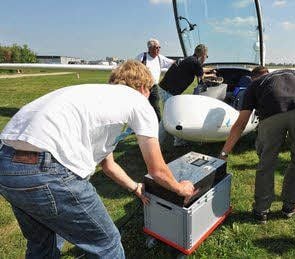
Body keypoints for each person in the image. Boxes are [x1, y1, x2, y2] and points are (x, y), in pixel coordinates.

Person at [0, 60, 195, 258]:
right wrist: (181, 188)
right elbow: (157, 170)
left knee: (43, 242)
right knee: (107, 244)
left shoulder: (94, 97)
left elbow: (108, 165)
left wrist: (136, 187)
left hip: (6, 165)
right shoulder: (138, 102)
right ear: (144, 87)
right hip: (48, 170)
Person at [219, 67, 295, 224]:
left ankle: (261, 210)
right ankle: (291, 205)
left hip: (271, 116)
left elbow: (240, 124)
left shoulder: (253, 86)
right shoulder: (291, 72)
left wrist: (224, 153)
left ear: (252, 78)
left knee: (266, 163)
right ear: (268, 72)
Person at [158, 44, 216, 146]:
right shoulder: (195, 62)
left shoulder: (190, 60)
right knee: (169, 117)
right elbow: (201, 76)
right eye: (206, 56)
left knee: (174, 115)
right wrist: (213, 75)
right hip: (169, 91)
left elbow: (199, 70)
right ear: (203, 54)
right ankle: (159, 143)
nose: (205, 58)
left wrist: (210, 69)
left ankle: (177, 141)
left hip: (165, 88)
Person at [136, 38, 174, 121]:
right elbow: (134, 69)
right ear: (150, 48)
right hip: (143, 86)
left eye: (159, 47)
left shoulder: (160, 58)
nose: (158, 49)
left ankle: (159, 125)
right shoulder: (142, 57)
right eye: (156, 47)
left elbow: (172, 63)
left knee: (156, 107)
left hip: (154, 87)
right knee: (141, 107)